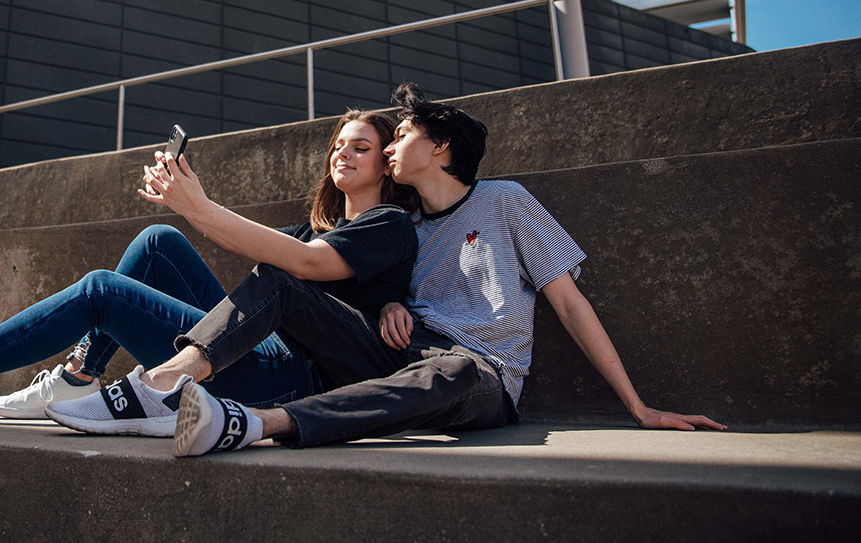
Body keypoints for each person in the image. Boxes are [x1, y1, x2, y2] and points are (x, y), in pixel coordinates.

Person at [58, 82, 725, 456]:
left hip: (477, 374)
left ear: (438, 150)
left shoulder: (506, 202)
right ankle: (166, 382)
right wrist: (385, 309)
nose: (391, 143)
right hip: (390, 354)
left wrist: (637, 406)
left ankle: (248, 424)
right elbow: (362, 283)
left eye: (401, 136)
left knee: (455, 370)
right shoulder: (403, 227)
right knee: (280, 277)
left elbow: (570, 303)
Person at [0, 109, 419, 432]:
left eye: (361, 147)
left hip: (291, 378)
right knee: (158, 240)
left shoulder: (387, 223)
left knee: (102, 291)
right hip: (254, 345)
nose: (343, 153)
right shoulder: (311, 227)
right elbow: (259, 249)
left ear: (385, 165)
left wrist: (203, 206)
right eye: (339, 144)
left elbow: (308, 267)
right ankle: (81, 377)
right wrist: (187, 206)